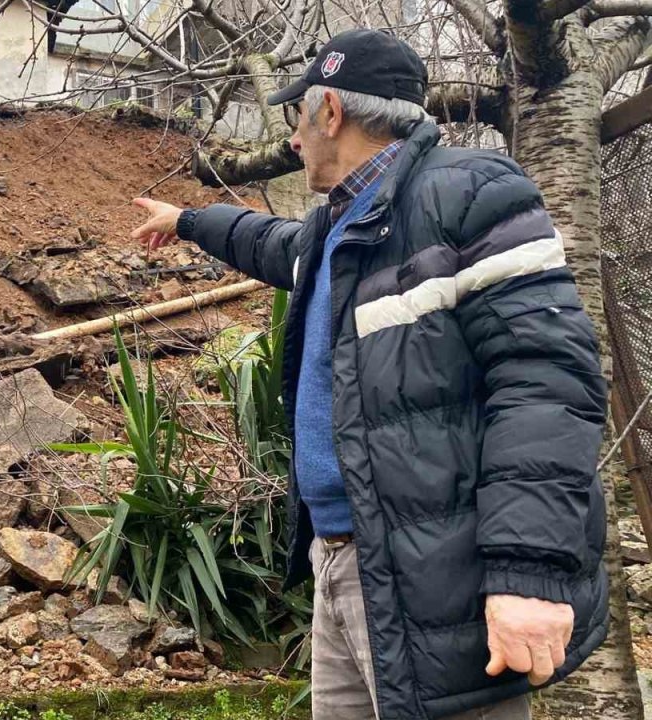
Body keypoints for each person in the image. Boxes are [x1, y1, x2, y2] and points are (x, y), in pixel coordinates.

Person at [131, 28, 608, 720]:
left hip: (437, 573)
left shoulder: (468, 195)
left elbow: (549, 385)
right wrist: (189, 221)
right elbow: (270, 243)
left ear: (330, 113)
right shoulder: (341, 229)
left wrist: (528, 575)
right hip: (343, 563)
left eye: (299, 116)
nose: (293, 139)